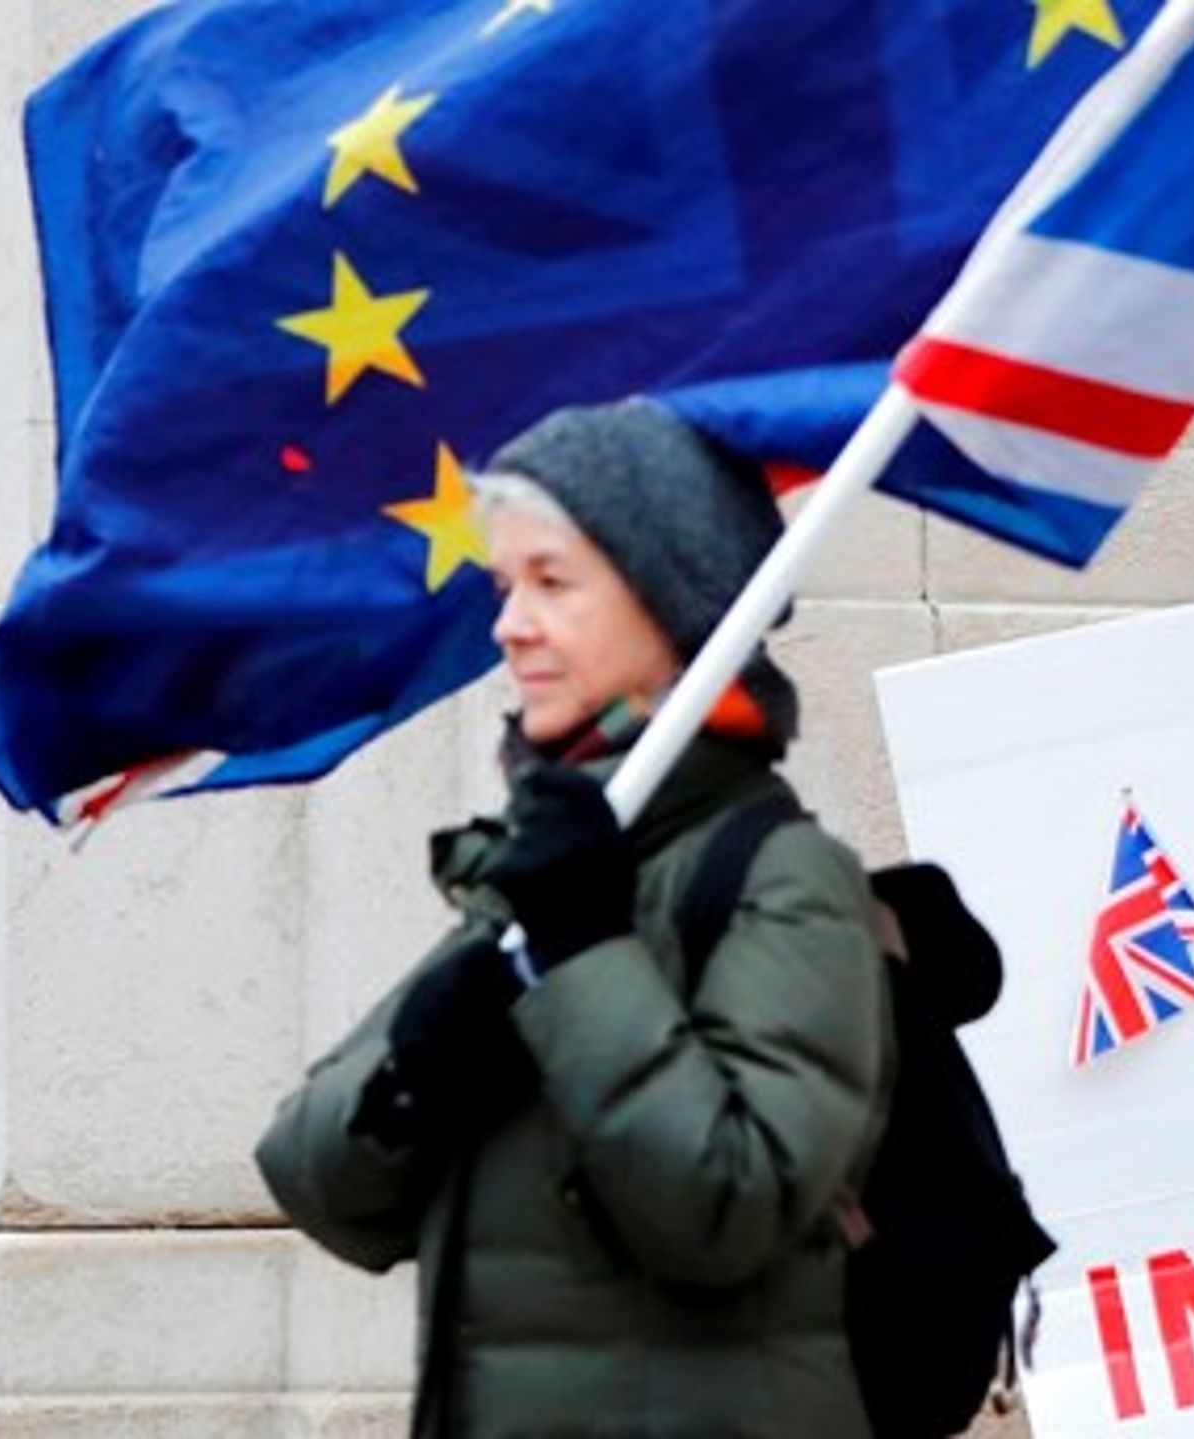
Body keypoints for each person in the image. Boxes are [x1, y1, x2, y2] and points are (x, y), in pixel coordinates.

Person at [256, 399, 892, 1438]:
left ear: (673, 600)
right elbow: (313, 1179)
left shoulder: (783, 874)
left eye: (552, 582)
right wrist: (419, 1065)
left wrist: (582, 955)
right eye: (507, 586)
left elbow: (727, 1206)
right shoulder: (547, 866)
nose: (508, 624)